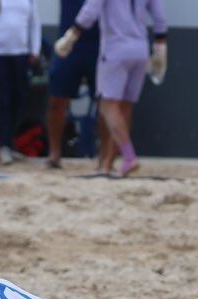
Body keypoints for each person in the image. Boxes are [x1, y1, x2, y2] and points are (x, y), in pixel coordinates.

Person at [55, 0, 166, 177]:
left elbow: (90, 11)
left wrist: (71, 36)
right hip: (140, 49)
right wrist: (160, 48)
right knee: (126, 107)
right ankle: (109, 162)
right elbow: (160, 18)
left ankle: (129, 156)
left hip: (116, 48)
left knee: (107, 105)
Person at [45, 0, 104, 170]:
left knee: (105, 104)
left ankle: (104, 156)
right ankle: (54, 154)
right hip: (69, 42)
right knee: (56, 100)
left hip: (100, 44)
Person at [0, 0, 40, 165]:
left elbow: (34, 22)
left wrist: (35, 49)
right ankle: (2, 145)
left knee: (18, 99)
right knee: (3, 100)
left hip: (21, 52)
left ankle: (9, 143)